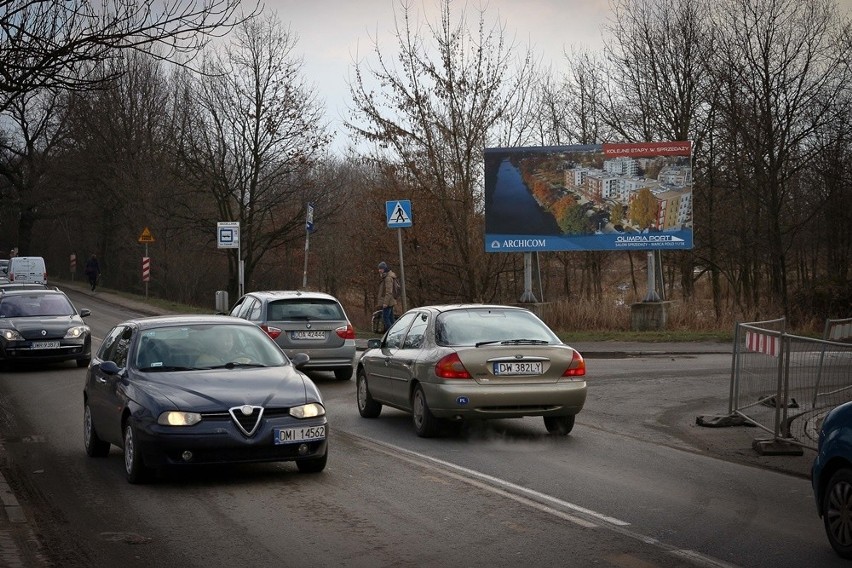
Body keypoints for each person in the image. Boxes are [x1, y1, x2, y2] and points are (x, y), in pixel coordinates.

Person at [376, 261, 397, 331]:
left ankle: (391, 332)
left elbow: (389, 291)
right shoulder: (386, 276)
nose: (379, 270)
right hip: (390, 301)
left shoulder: (388, 278)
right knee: (391, 318)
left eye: (381, 269)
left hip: (388, 302)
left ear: (384, 269)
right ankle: (395, 331)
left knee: (385, 317)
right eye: (379, 269)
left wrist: (385, 302)